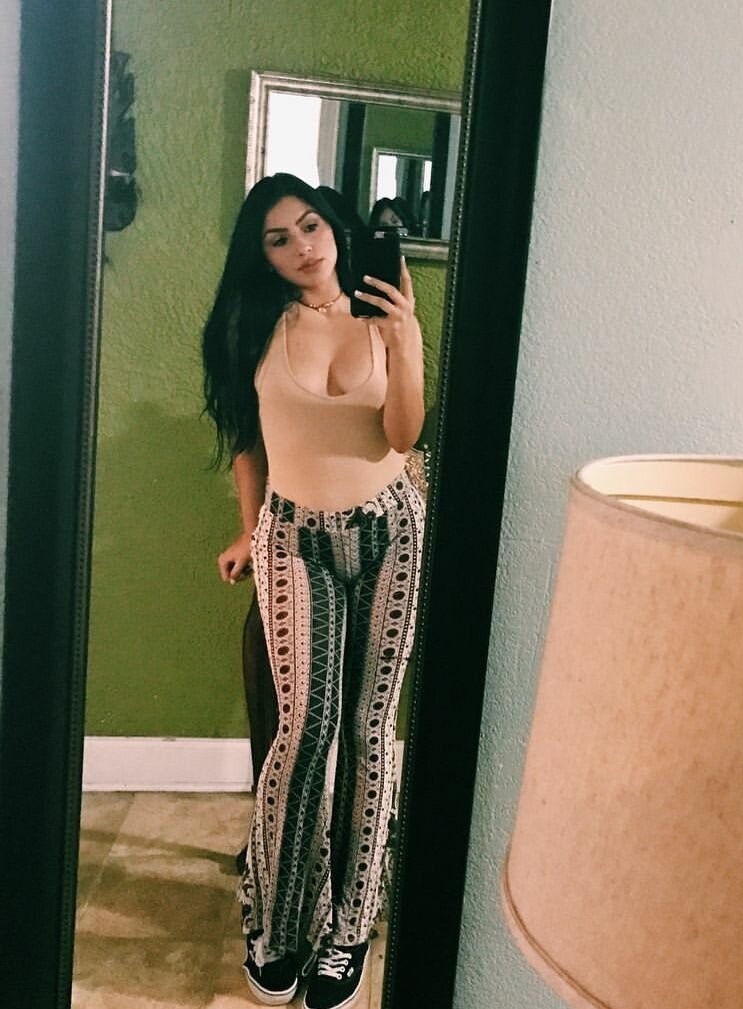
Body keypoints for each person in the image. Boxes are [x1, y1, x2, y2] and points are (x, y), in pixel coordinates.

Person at [202, 172, 426, 1009]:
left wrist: (406, 341)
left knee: (369, 730)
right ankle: (277, 922)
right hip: (293, 534)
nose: (302, 246)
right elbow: (246, 440)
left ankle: (349, 927)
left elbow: (403, 431)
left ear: (334, 225)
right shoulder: (256, 324)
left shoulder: (383, 312)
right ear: (261, 256)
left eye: (310, 226)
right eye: (278, 239)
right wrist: (248, 528)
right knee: (304, 727)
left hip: (390, 529)